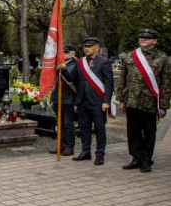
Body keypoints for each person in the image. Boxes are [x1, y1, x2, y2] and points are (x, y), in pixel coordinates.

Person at [117, 29, 170, 173]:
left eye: (147, 38)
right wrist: (121, 98)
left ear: (154, 41)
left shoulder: (162, 58)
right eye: (141, 37)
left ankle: (146, 160)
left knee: (148, 132)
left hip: (149, 101)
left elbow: (166, 83)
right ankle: (136, 157)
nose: (143, 40)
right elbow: (122, 78)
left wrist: (163, 105)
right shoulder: (130, 56)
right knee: (133, 131)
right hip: (132, 100)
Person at [72, 37, 113, 165]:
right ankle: (86, 152)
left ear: (96, 47)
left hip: (98, 101)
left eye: (89, 46)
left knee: (99, 128)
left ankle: (99, 154)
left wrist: (106, 101)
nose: (86, 49)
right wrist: (61, 67)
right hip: (82, 101)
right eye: (85, 46)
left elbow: (109, 83)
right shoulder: (80, 62)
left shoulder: (104, 62)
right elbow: (73, 78)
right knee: (84, 128)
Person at [50, 44, 78, 156]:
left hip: (68, 99)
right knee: (59, 124)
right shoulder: (58, 65)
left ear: (72, 54)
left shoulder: (75, 65)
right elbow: (55, 84)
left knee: (68, 124)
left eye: (65, 53)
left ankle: (69, 147)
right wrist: (53, 98)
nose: (62, 55)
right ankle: (60, 145)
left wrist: (62, 68)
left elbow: (71, 79)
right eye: (61, 53)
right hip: (58, 98)